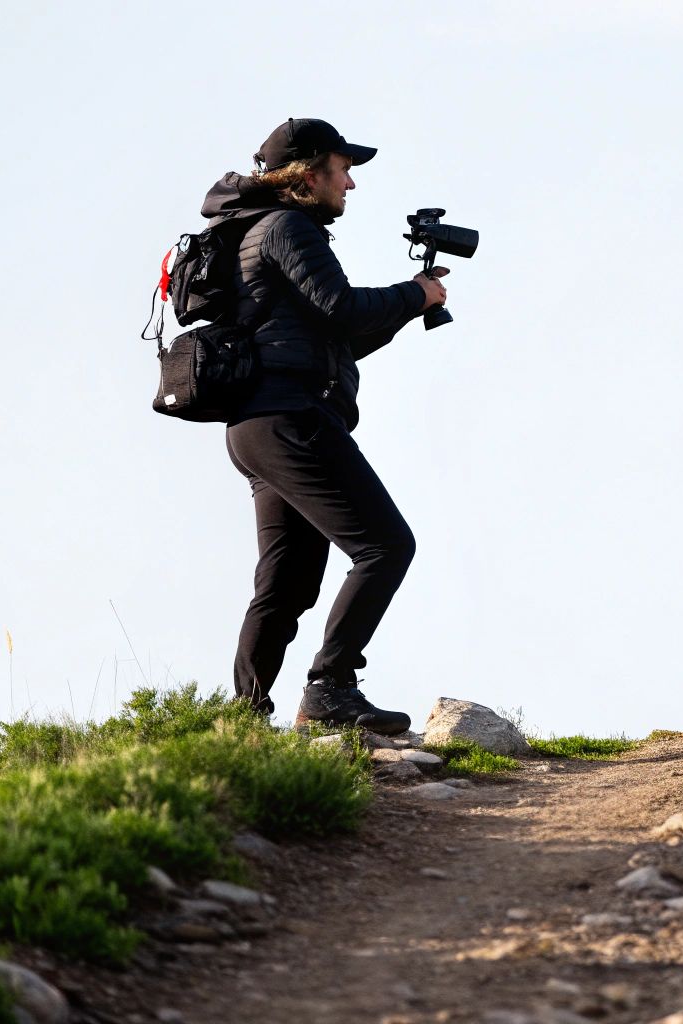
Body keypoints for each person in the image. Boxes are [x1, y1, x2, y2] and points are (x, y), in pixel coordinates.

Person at [197, 117, 448, 734]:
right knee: (385, 546)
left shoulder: (260, 230)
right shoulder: (287, 227)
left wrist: (408, 305)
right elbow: (341, 307)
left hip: (257, 426)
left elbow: (337, 339)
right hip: (291, 419)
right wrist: (412, 295)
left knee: (287, 583)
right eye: (343, 170)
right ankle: (330, 688)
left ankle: (244, 723)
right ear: (309, 176)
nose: (350, 184)